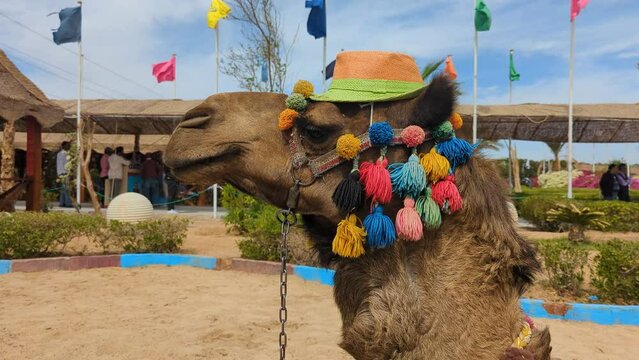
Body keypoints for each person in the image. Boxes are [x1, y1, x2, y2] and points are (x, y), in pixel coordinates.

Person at [56, 141, 73, 207]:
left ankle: (62, 202)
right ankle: (68, 203)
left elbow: (57, 164)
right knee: (67, 188)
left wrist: (58, 173)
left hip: (60, 173)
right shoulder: (67, 154)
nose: (69, 146)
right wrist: (70, 173)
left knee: (63, 188)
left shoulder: (59, 154)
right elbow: (68, 165)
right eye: (68, 145)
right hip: (65, 173)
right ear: (64, 146)